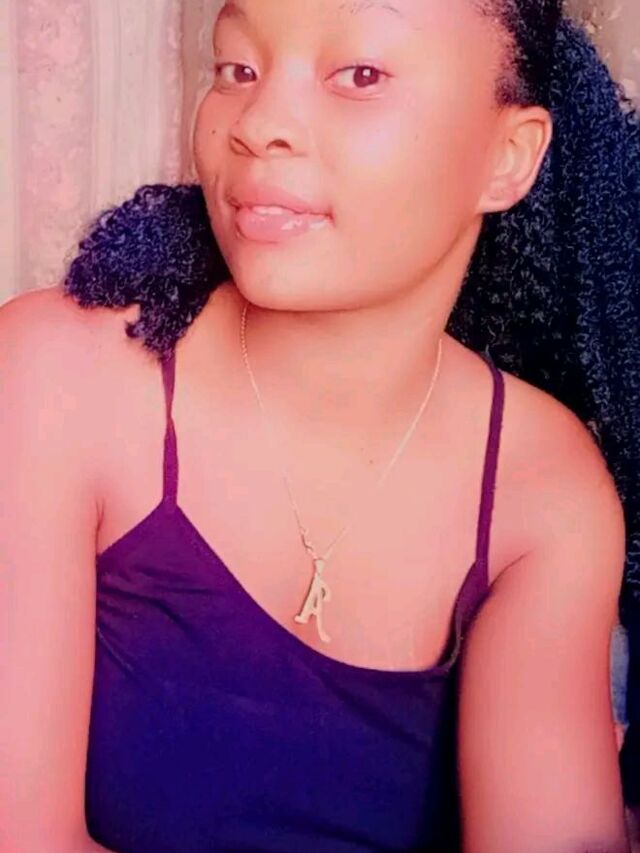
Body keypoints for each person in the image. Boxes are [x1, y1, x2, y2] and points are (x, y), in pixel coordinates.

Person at [2, 0, 638, 850]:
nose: (257, 123)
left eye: (360, 75)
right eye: (239, 68)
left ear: (508, 155)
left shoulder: (544, 488)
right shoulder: (56, 375)